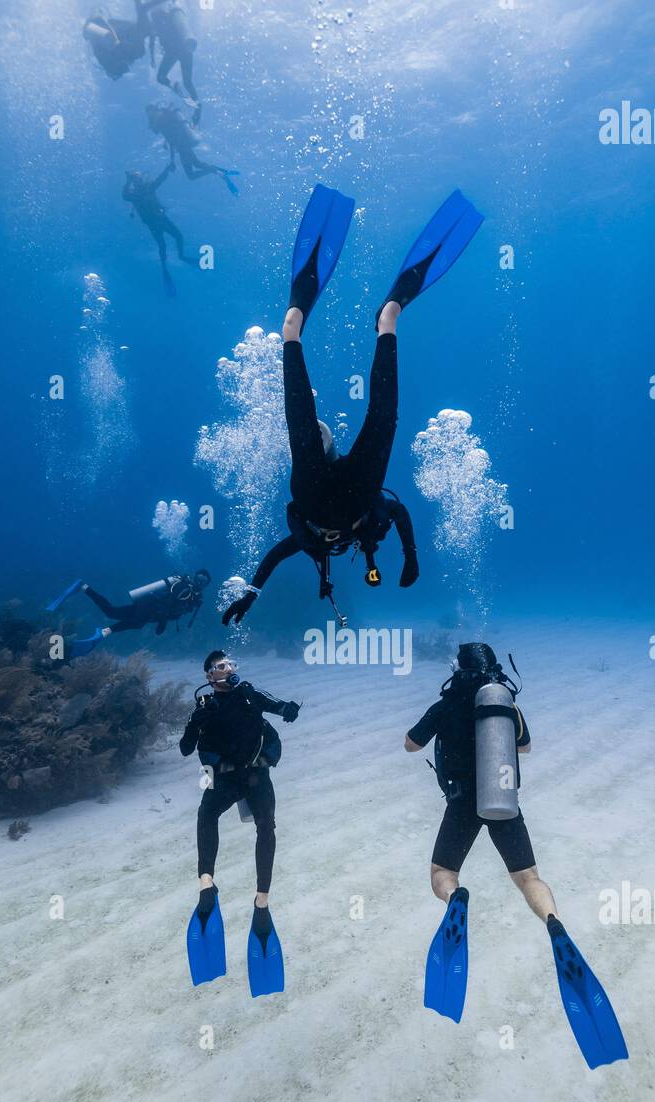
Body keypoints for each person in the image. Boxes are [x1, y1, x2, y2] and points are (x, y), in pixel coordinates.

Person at [222, 185, 486, 628]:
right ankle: (379, 321)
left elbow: (274, 556)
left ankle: (304, 328)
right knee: (371, 420)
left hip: (321, 492)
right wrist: (410, 558)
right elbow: (398, 513)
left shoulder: (309, 541)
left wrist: (251, 593)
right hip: (355, 492)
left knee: (340, 422)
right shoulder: (360, 528)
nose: (334, 546)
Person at [404, 641, 628, 1067]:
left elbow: (410, 745)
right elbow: (523, 748)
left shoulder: (446, 702)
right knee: (528, 877)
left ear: (459, 667)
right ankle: (553, 923)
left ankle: (456, 900)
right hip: (503, 801)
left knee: (441, 871)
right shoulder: (503, 702)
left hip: (461, 802)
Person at [181, 650, 301, 997]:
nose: (229, 669)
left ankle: (260, 900)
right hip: (227, 779)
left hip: (255, 775)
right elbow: (186, 749)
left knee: (266, 828)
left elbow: (279, 707)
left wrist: (290, 710)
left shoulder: (248, 692)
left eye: (231, 664)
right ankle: (208, 884)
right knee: (208, 815)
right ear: (209, 676)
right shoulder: (205, 708)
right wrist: (196, 720)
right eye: (221, 667)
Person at [45, 571, 211, 657]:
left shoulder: (194, 598)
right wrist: (162, 623)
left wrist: (162, 620)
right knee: (130, 620)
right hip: (149, 609)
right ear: (195, 577)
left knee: (112, 612)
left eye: (203, 582)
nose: (199, 583)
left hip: (148, 609)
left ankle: (84, 588)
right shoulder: (185, 589)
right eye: (199, 578)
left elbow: (172, 611)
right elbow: (169, 606)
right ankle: (103, 630)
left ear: (206, 585)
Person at [122, 167, 198, 296]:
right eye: (135, 180)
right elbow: (124, 196)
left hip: (160, 219)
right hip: (154, 222)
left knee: (178, 237)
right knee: (163, 244)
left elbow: (160, 180)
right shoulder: (134, 195)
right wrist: (127, 181)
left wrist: (167, 169)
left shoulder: (147, 188)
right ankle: (165, 267)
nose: (138, 181)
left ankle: (181, 257)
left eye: (138, 179)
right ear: (134, 182)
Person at [146, 104, 239, 193]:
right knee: (197, 165)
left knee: (191, 175)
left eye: (150, 113)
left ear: (153, 111)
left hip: (182, 147)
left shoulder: (162, 122)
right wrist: (173, 158)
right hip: (184, 146)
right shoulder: (164, 120)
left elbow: (171, 140)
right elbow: (170, 140)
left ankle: (218, 172)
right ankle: (220, 171)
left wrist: (173, 159)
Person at [147, 1, 201, 116]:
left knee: (161, 77)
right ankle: (197, 105)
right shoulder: (169, 16)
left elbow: (151, 42)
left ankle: (175, 87)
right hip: (184, 50)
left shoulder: (157, 22)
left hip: (174, 52)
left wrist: (152, 58)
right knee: (187, 82)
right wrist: (152, 58)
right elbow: (152, 42)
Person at [83, 3, 151, 80]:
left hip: (116, 39)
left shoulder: (109, 60)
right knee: (144, 33)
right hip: (120, 38)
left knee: (144, 32)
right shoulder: (132, 54)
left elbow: (109, 39)